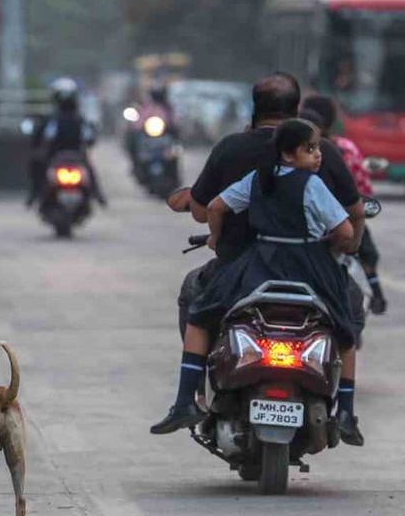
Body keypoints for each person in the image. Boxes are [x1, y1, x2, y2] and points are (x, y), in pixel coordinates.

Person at [155, 119, 365, 445]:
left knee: (201, 314)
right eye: (310, 149)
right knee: (345, 330)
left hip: (260, 265)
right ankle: (348, 414)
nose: (317, 155)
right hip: (310, 268)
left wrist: (215, 237)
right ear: (289, 154)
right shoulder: (312, 185)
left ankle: (184, 401)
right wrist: (332, 246)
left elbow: (215, 207)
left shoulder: (257, 180)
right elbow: (346, 231)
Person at [168, 73, 365, 339]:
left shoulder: (235, 153)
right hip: (311, 271)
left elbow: (205, 210)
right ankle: (344, 382)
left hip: (239, 269)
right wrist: (341, 245)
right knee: (349, 312)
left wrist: (216, 237)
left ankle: (191, 377)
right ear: (296, 111)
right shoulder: (322, 155)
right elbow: (354, 216)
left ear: (254, 109)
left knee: (196, 301)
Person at [300, 94, 387, 314]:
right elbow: (361, 196)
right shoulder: (343, 149)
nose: (316, 156)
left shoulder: (282, 154)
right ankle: (376, 291)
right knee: (350, 313)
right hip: (339, 226)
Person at [27, 77, 105, 206]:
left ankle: (97, 194)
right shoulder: (56, 120)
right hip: (57, 156)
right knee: (36, 165)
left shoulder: (73, 120)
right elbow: (90, 138)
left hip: (72, 155)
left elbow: (90, 138)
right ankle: (35, 193)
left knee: (89, 170)